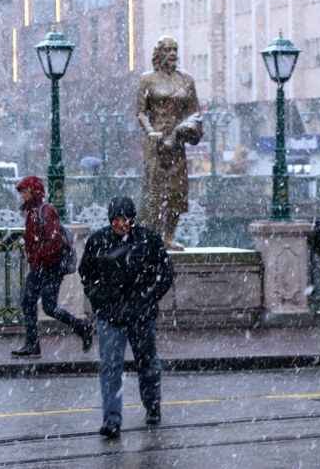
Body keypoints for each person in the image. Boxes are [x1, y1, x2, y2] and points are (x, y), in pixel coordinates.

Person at [78, 196, 174, 439]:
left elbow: (165, 271)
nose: (121, 224)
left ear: (132, 218)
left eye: (125, 219)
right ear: (110, 220)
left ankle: (152, 406)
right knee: (111, 367)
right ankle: (111, 420)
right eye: (117, 220)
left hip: (140, 314)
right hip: (111, 316)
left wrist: (148, 297)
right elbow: (86, 273)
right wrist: (101, 297)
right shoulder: (98, 241)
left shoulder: (148, 239)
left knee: (147, 362)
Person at [11, 175, 92, 358]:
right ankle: (32, 345)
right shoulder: (33, 212)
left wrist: (39, 257)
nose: (23, 196)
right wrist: (34, 259)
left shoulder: (46, 211)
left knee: (48, 307)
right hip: (39, 267)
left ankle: (82, 327)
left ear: (34, 192)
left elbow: (54, 241)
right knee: (28, 303)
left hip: (50, 267)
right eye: (22, 193)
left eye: (25, 192)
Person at [136, 35, 203, 251]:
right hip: (155, 142)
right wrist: (150, 131)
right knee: (155, 190)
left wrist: (183, 129)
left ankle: (168, 236)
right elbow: (140, 112)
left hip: (176, 141)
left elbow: (195, 113)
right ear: (159, 54)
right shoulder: (148, 79)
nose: (172, 53)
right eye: (167, 49)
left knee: (177, 189)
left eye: (175, 49)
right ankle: (152, 237)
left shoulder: (186, 80)